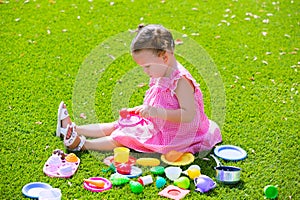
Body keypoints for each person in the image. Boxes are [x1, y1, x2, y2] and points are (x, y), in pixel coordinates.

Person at [57, 24, 222, 162]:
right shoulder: (162, 72)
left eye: (147, 66)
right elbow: (162, 100)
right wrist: (144, 109)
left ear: (164, 57)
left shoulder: (180, 81)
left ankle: (81, 144)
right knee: (119, 124)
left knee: (123, 137)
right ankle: (74, 129)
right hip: (159, 123)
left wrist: (156, 112)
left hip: (177, 136)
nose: (145, 71)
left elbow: (189, 115)